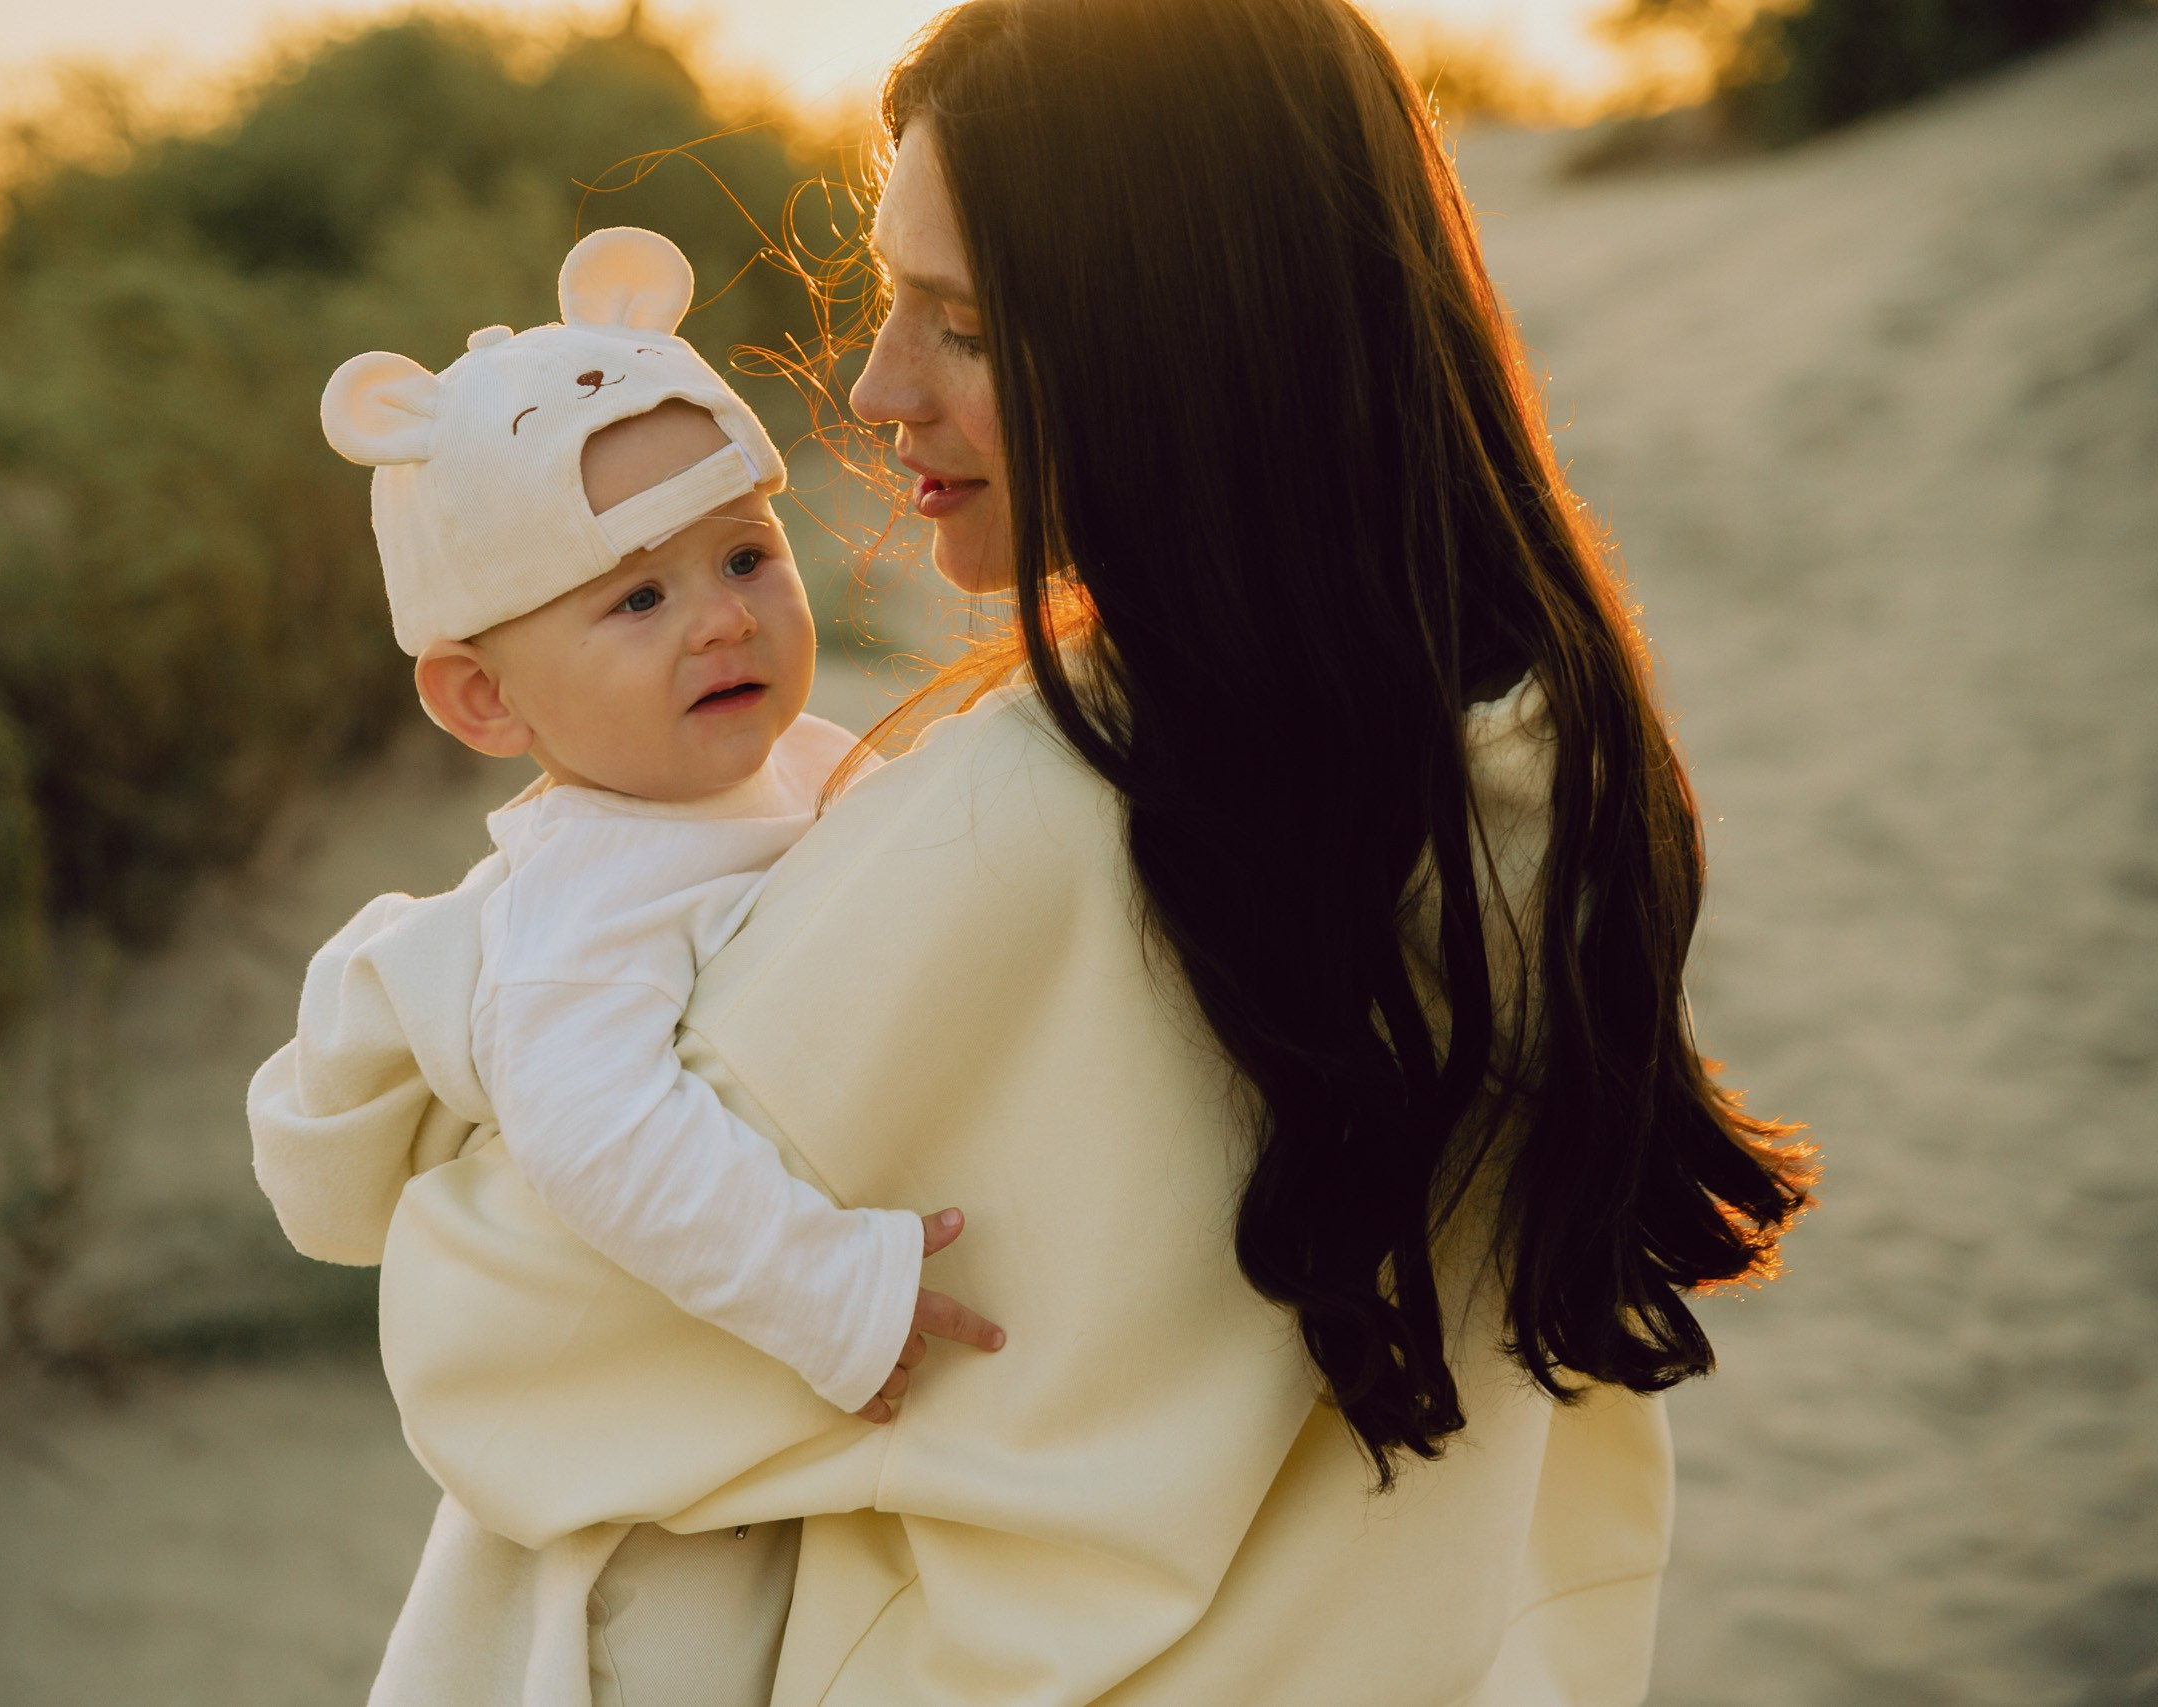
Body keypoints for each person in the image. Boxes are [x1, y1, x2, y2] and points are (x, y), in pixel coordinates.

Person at [338, 1, 1819, 1702]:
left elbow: (500, 1346)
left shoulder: (1041, 830)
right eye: (892, 299)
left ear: (1191, 342)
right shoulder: (1556, 771)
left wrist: (443, 996)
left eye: (964, 326)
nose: (877, 387)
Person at [249, 226, 1001, 1707]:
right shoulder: (581, 901)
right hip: (654, 1534)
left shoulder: (805, 762)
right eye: (637, 598)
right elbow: (597, 1134)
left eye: (746, 556)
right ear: (484, 699)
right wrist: (828, 1292)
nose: (724, 616)